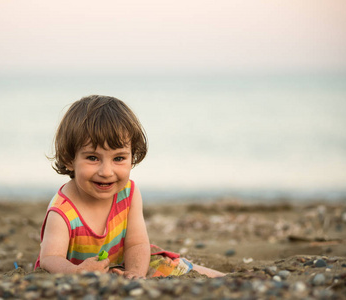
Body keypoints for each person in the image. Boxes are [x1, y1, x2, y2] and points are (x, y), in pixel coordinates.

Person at [35, 95, 225, 279]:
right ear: (69, 159)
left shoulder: (128, 193)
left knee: (170, 265)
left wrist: (135, 274)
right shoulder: (62, 211)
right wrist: (76, 272)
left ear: (132, 157)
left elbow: (137, 244)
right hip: (78, 273)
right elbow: (50, 258)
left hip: (125, 265)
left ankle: (229, 278)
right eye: (92, 158)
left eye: (119, 158)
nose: (107, 171)